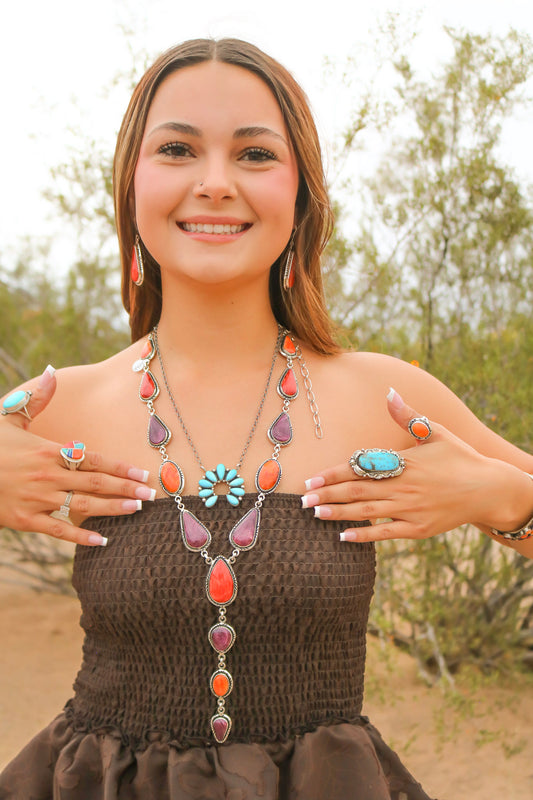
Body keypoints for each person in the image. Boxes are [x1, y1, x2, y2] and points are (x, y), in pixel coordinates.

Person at [0, 37, 532, 800]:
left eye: (254, 154)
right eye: (177, 149)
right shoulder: (58, 407)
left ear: (301, 193)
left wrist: (502, 497)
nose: (215, 183)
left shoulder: (384, 397)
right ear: (130, 183)